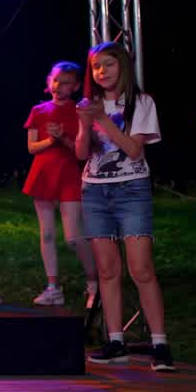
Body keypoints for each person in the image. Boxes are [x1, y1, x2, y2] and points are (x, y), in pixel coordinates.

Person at [77, 42, 172, 371]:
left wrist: (104, 119)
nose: (102, 72)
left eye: (109, 65)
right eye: (96, 67)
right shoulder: (91, 106)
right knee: (106, 270)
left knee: (141, 268)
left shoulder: (141, 103)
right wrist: (84, 124)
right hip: (94, 191)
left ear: (124, 67)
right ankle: (116, 341)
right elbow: (80, 154)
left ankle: (160, 343)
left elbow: (133, 150)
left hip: (131, 189)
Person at [23, 62, 98, 308]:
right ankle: (53, 287)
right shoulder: (39, 110)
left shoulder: (79, 113)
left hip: (68, 174)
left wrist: (62, 138)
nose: (59, 86)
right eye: (56, 81)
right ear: (49, 82)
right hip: (43, 173)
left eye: (66, 82)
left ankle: (94, 281)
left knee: (73, 237)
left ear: (75, 86)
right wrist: (50, 140)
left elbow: (80, 152)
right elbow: (32, 147)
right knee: (46, 233)